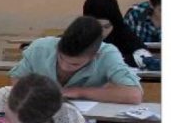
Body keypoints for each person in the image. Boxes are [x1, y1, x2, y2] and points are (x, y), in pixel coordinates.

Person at [8, 16, 142, 104]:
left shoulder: (108, 54)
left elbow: (134, 95)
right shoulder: (40, 47)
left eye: (74, 64)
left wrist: (79, 92)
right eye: (61, 58)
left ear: (95, 56)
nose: (64, 66)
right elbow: (16, 78)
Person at [83, 0, 152, 69]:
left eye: (106, 27)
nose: (101, 32)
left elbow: (145, 57)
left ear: (115, 23)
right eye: (96, 27)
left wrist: (114, 59)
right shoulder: (80, 34)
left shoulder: (122, 31)